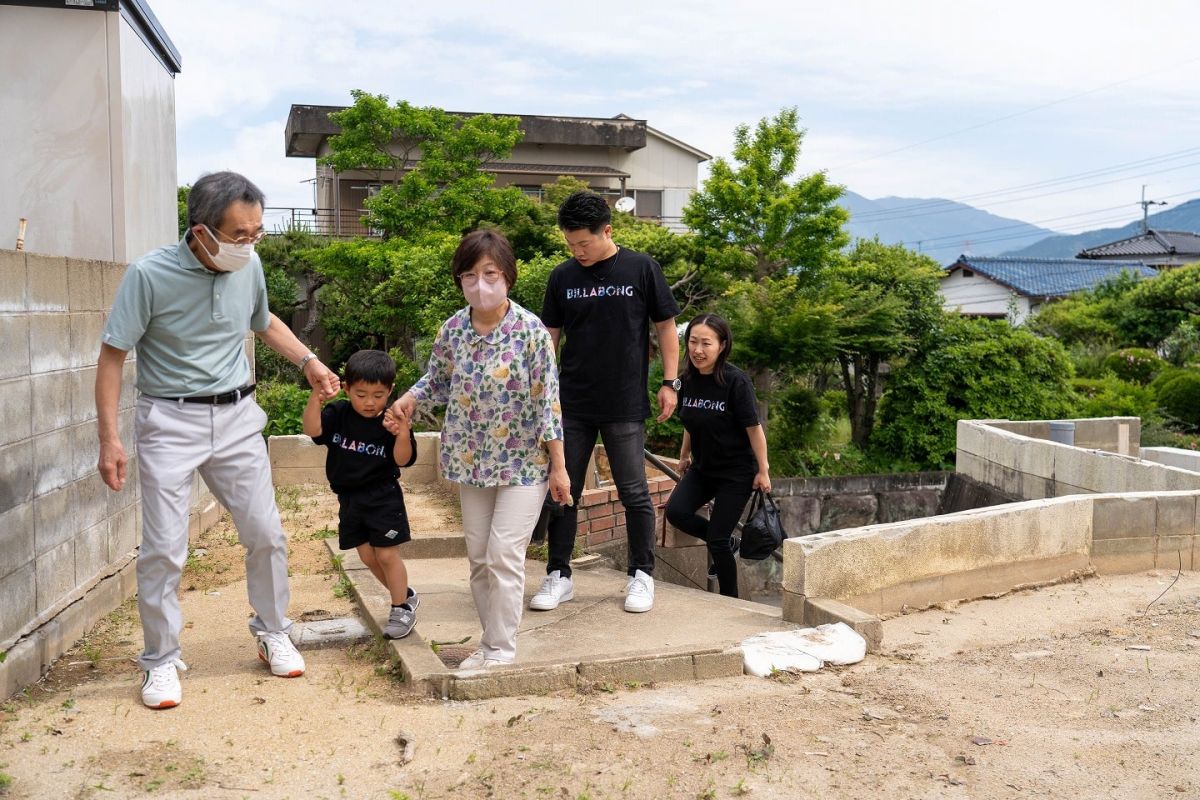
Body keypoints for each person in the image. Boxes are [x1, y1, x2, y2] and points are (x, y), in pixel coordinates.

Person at [95, 171, 340, 710]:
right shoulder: (148, 275)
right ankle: (160, 660)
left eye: (256, 233)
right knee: (163, 548)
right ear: (201, 231)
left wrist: (309, 360)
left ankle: (272, 629)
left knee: (266, 532)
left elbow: (263, 321)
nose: (249, 244)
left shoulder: (247, 265)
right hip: (169, 421)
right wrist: (109, 437)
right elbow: (113, 354)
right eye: (239, 235)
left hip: (236, 416)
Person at [388, 229, 570, 669]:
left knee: (504, 556)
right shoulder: (454, 329)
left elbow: (548, 403)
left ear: (508, 275)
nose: (480, 284)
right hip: (471, 461)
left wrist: (559, 467)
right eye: (469, 275)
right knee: (478, 560)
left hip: (524, 464)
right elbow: (436, 379)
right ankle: (490, 644)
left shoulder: (530, 332)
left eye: (489, 273)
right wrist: (408, 399)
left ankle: (500, 651)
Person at [531, 191, 680, 614]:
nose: (577, 252)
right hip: (572, 402)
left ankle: (642, 575)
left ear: (607, 231)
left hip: (625, 401)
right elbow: (549, 340)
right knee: (564, 490)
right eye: (570, 244)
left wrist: (671, 382)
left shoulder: (641, 268)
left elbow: (667, 329)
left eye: (584, 243)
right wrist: (542, 395)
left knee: (634, 491)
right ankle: (558, 574)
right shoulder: (562, 277)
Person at [303, 349, 420, 639]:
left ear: (391, 390)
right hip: (349, 498)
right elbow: (312, 430)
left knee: (387, 554)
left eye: (379, 395)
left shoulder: (392, 421)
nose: (370, 402)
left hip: (383, 497)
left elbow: (403, 460)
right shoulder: (338, 413)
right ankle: (405, 594)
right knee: (368, 557)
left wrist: (403, 433)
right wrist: (315, 398)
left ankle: (400, 607)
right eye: (361, 394)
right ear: (346, 388)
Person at [665, 313, 771, 598]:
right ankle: (722, 542)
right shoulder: (687, 380)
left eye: (706, 344)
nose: (698, 350)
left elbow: (754, 430)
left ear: (722, 345)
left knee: (718, 539)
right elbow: (692, 421)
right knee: (676, 512)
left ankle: (729, 600)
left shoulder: (736, 382)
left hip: (736, 473)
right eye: (693, 342)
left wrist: (763, 470)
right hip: (704, 468)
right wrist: (684, 454)